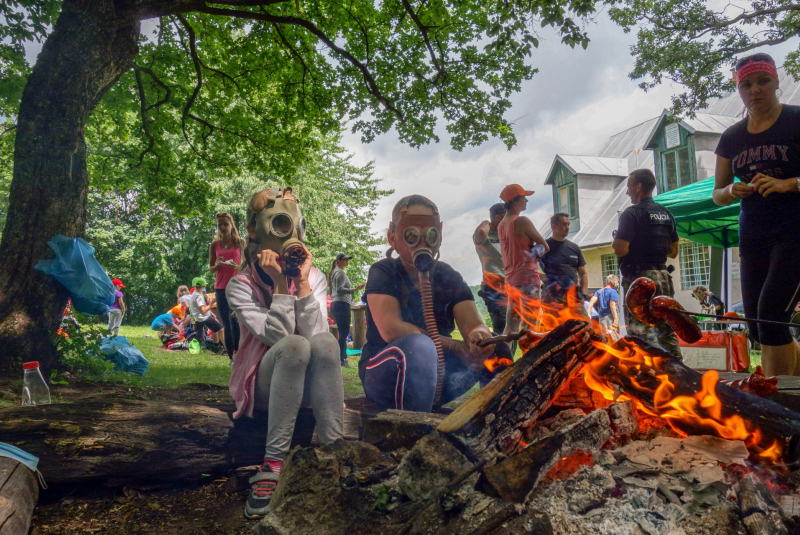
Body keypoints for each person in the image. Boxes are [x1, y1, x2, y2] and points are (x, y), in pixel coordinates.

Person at [227, 186, 342, 519]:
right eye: (280, 224)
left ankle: (337, 453)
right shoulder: (241, 285)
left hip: (306, 385)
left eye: (295, 225)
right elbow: (277, 336)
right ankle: (272, 465)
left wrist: (302, 283)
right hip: (261, 385)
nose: (290, 234)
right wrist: (280, 284)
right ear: (254, 230)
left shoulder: (315, 278)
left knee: (324, 342)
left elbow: (319, 340)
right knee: (293, 345)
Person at [360, 195, 512, 412]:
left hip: (441, 374)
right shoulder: (383, 271)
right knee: (419, 348)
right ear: (392, 237)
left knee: (498, 348)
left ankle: (496, 427)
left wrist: (479, 339)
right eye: (411, 235)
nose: (422, 243)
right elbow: (392, 330)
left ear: (439, 238)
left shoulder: (448, 275)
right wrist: (454, 346)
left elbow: (473, 323)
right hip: (385, 375)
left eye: (430, 235)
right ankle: (413, 434)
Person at [712, 53, 800, 376]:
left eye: (762, 81)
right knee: (756, 324)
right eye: (746, 84)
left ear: (776, 82)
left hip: (793, 233)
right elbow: (717, 194)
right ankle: (793, 387)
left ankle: (777, 407)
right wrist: (732, 191)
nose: (755, 90)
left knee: (771, 313)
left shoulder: (795, 120)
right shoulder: (731, 138)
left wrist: (788, 183)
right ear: (739, 90)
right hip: (752, 237)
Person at [612, 169, 682, 358]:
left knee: (640, 331)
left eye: (628, 188)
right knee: (666, 328)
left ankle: (647, 375)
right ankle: (679, 370)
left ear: (638, 187)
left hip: (640, 280)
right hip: (663, 278)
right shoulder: (666, 214)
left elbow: (620, 250)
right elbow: (673, 252)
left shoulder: (631, 214)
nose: (628, 193)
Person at [497, 184, 548, 348]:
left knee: (511, 326)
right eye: (523, 197)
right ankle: (530, 366)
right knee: (530, 328)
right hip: (527, 280)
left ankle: (503, 362)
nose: (526, 200)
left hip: (511, 281)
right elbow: (544, 246)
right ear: (514, 202)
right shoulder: (522, 221)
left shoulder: (501, 225)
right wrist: (533, 254)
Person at [209, 212, 244, 362]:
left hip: (237, 286)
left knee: (236, 321)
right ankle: (231, 357)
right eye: (219, 225)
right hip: (221, 287)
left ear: (231, 225)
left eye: (225, 224)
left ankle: (240, 352)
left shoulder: (240, 242)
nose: (222, 227)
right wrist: (220, 264)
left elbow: (247, 264)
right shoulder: (214, 245)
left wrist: (238, 267)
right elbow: (211, 269)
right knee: (226, 322)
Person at [473, 203, 507, 333]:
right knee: (502, 328)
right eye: (506, 217)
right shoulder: (484, 235)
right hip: (495, 288)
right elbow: (481, 232)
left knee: (512, 328)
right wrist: (487, 222)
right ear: (498, 217)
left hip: (510, 286)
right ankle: (498, 353)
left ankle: (506, 353)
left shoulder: (506, 234)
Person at [540, 212, 588, 305]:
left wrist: (583, 294)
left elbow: (583, 273)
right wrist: (540, 275)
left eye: (568, 224)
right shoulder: (544, 247)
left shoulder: (574, 247)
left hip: (573, 296)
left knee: (583, 320)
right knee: (554, 320)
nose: (567, 227)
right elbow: (526, 265)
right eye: (564, 224)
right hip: (552, 298)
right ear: (554, 227)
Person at [328, 252, 365, 367]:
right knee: (344, 333)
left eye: (348, 259)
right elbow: (339, 290)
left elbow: (333, 291)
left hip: (338, 304)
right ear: (339, 261)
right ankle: (342, 359)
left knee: (343, 333)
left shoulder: (335, 273)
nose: (347, 261)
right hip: (341, 304)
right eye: (345, 259)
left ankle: (342, 359)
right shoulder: (340, 273)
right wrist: (355, 289)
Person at [189, 277, 224, 353]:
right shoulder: (198, 296)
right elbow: (204, 310)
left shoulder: (194, 294)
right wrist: (211, 303)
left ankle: (216, 347)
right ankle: (227, 349)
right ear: (204, 287)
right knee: (221, 329)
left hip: (198, 318)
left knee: (215, 328)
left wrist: (211, 314)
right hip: (203, 318)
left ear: (194, 286)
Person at [588, 275, 620, 340]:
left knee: (605, 337)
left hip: (602, 318)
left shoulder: (599, 291)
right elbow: (612, 304)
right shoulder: (613, 291)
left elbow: (592, 300)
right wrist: (616, 318)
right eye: (616, 281)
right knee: (614, 338)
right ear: (612, 282)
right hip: (610, 317)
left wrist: (588, 311)